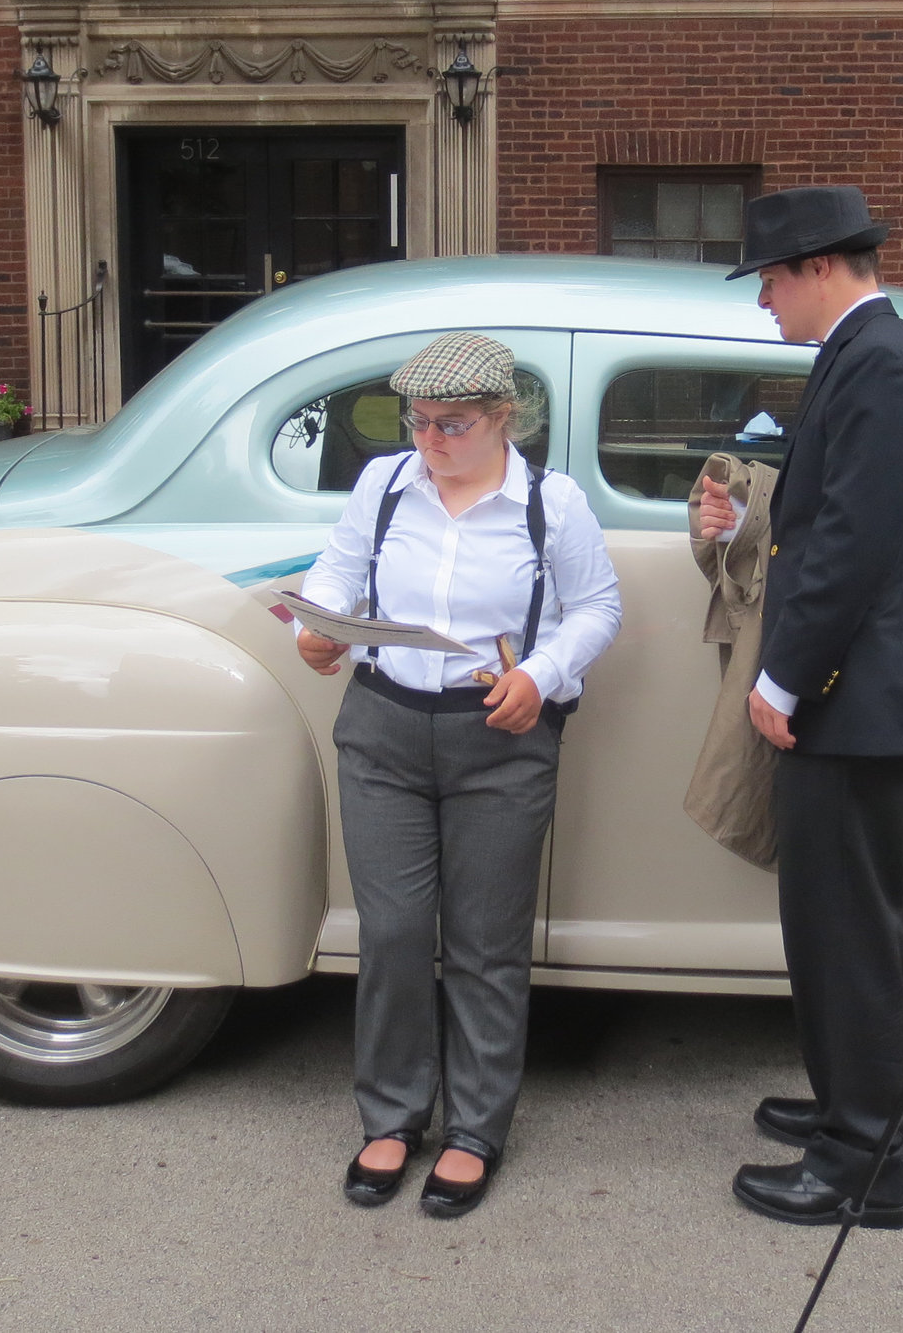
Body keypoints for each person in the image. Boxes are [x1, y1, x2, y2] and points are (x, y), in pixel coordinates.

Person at [691, 185, 903, 1230]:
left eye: (767, 278)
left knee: (843, 927)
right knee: (858, 920)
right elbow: (832, 515)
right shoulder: (871, 357)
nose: (764, 300)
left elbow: (851, 544)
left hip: (858, 700)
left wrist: (779, 679)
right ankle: (865, 1109)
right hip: (871, 697)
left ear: (815, 266)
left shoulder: (882, 364)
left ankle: (863, 1165)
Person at [293, 332, 622, 1218]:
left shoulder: (550, 502)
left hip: (499, 737)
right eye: (420, 421)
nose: (432, 439)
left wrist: (540, 676)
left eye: (454, 424)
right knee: (394, 930)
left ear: (504, 418)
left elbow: (597, 607)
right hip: (384, 728)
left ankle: (475, 1128)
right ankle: (393, 1115)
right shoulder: (385, 484)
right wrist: (319, 626)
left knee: (484, 940)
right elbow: (337, 571)